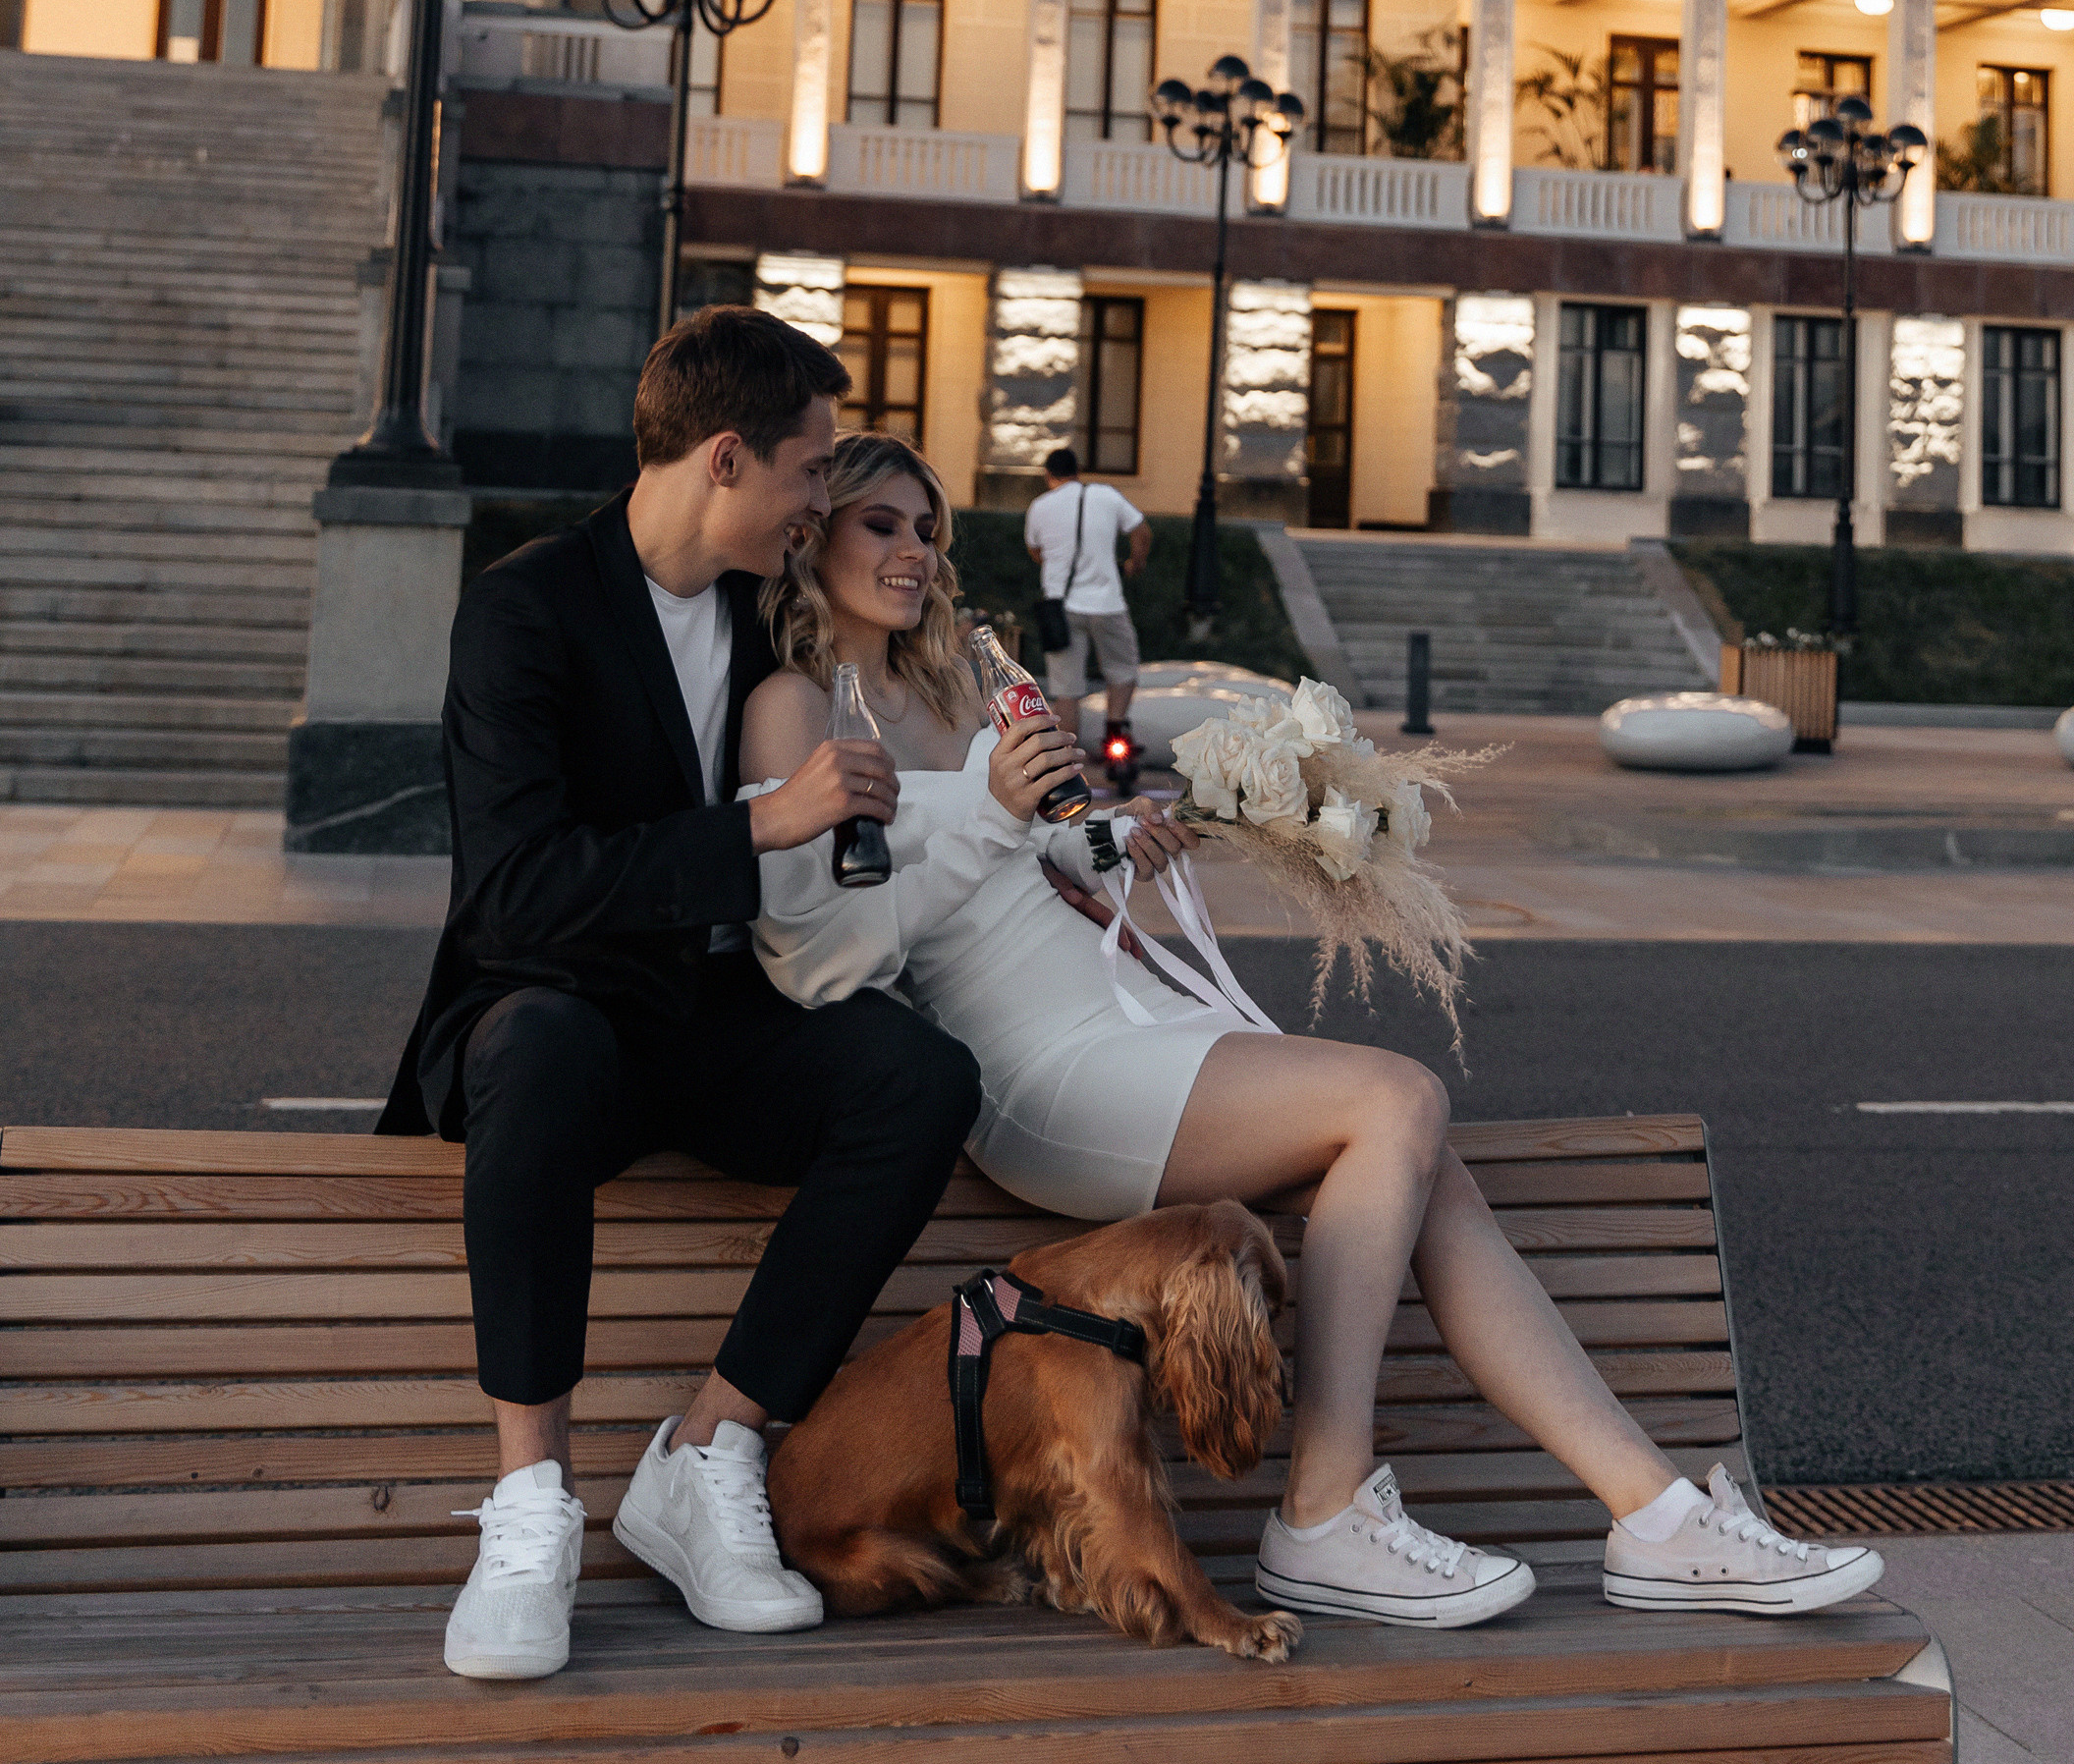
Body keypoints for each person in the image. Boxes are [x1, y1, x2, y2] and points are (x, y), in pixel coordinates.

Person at [740, 435, 1883, 1633]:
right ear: (811, 528)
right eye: (882, 524)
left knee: (1424, 1169)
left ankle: (1652, 1516)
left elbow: (1018, 864)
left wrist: (1112, 836)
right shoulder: (797, 709)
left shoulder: (963, 688)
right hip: (1034, 1071)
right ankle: (1323, 1513)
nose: (915, 552)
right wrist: (987, 812)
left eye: (929, 530)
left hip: (1118, 1012)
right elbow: (829, 956)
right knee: (1396, 1098)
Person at [380, 310, 981, 1684]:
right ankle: (529, 1504)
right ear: (726, 457)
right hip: (555, 1019)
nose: (821, 501)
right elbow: (515, 890)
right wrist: (764, 825)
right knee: (533, 1041)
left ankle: (711, 1447)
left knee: (918, 1074)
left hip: (711, 1022)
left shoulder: (766, 613)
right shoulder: (525, 605)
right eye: (812, 470)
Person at [1023, 444, 1149, 773]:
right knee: (1123, 671)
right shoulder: (1106, 495)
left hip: (1060, 607)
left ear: (1049, 475)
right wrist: (1136, 563)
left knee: (1066, 688)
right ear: (1077, 471)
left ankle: (1067, 760)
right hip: (1107, 603)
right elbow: (1141, 531)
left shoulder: (1039, 506)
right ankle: (1115, 739)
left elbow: (1035, 551)